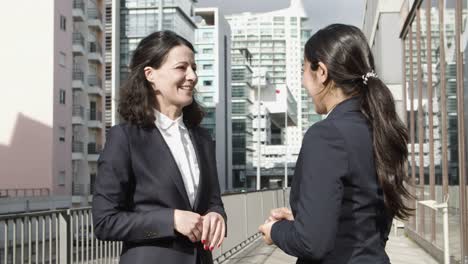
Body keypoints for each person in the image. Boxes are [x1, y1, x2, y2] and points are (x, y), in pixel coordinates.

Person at [258, 24, 413, 263]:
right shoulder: (380, 128)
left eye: (303, 70)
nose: (302, 82)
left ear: (321, 72)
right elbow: (362, 218)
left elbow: (311, 242)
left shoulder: (326, 135)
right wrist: (304, 219)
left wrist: (275, 231)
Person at [92, 30, 226, 264]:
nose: (192, 76)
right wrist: (171, 220)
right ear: (150, 74)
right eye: (181, 67)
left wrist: (217, 215)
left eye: (194, 67)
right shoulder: (125, 138)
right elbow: (105, 223)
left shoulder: (203, 138)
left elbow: (214, 201)